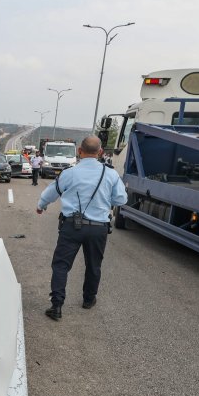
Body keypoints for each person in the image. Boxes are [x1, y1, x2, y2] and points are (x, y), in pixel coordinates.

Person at [36, 136, 127, 320]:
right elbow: (121, 199)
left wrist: (41, 205)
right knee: (94, 265)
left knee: (61, 265)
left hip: (71, 227)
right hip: (98, 228)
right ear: (100, 152)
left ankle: (57, 306)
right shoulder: (110, 174)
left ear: (79, 151)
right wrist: (102, 202)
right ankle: (88, 300)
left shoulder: (69, 173)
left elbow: (51, 193)